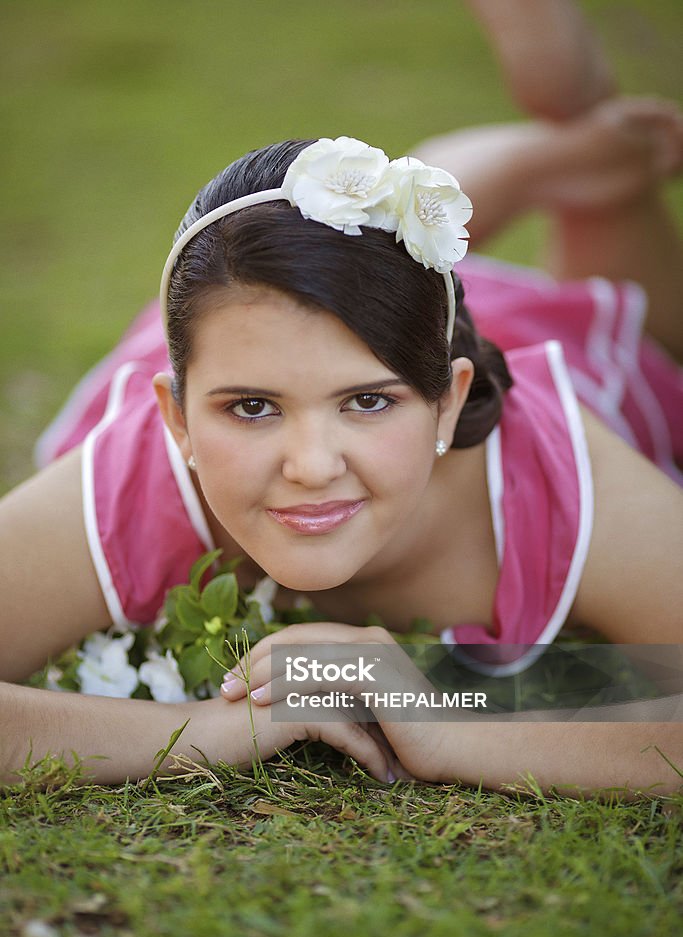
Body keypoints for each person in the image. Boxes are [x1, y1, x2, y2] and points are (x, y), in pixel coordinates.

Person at [1, 7, 682, 796]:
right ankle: (544, 157)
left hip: (435, 333)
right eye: (251, 409)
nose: (311, 467)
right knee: (347, 254)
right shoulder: (133, 478)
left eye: (367, 404)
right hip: (265, 323)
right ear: (177, 417)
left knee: (655, 345)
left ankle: (583, 155)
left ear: (446, 402)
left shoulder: (562, 478)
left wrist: (447, 726)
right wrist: (210, 730)